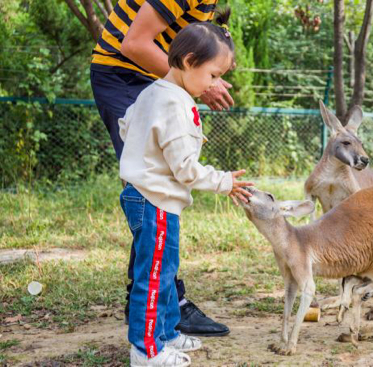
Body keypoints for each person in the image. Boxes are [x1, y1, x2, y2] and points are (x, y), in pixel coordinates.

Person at [90, 0, 235, 337]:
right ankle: (157, 318)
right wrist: (197, 83)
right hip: (125, 73)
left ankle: (163, 308)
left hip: (148, 76)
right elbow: (135, 43)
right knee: (152, 188)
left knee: (160, 193)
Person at [118, 9, 253, 366]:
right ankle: (146, 350)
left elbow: (126, 125)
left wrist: (145, 152)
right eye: (213, 74)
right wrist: (224, 182)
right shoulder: (176, 103)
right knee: (154, 276)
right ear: (190, 61)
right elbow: (186, 170)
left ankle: (166, 334)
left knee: (164, 271)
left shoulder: (154, 92)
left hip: (143, 195)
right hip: (156, 200)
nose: (214, 84)